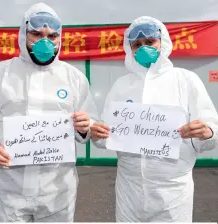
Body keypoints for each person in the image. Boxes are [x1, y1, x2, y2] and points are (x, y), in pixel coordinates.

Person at [0, 2, 98, 222]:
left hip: (57, 192)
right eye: (37, 34)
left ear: (60, 38)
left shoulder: (73, 78)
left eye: (52, 36)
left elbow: (90, 125)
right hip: (9, 189)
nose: (45, 42)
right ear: (23, 34)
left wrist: (87, 126)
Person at [90, 16, 218, 222]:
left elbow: (212, 129)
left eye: (150, 42)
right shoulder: (122, 85)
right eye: (137, 44)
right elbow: (106, 135)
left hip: (173, 191)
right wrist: (98, 134)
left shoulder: (185, 80)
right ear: (129, 48)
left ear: (163, 42)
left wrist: (208, 132)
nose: (143, 48)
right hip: (129, 189)